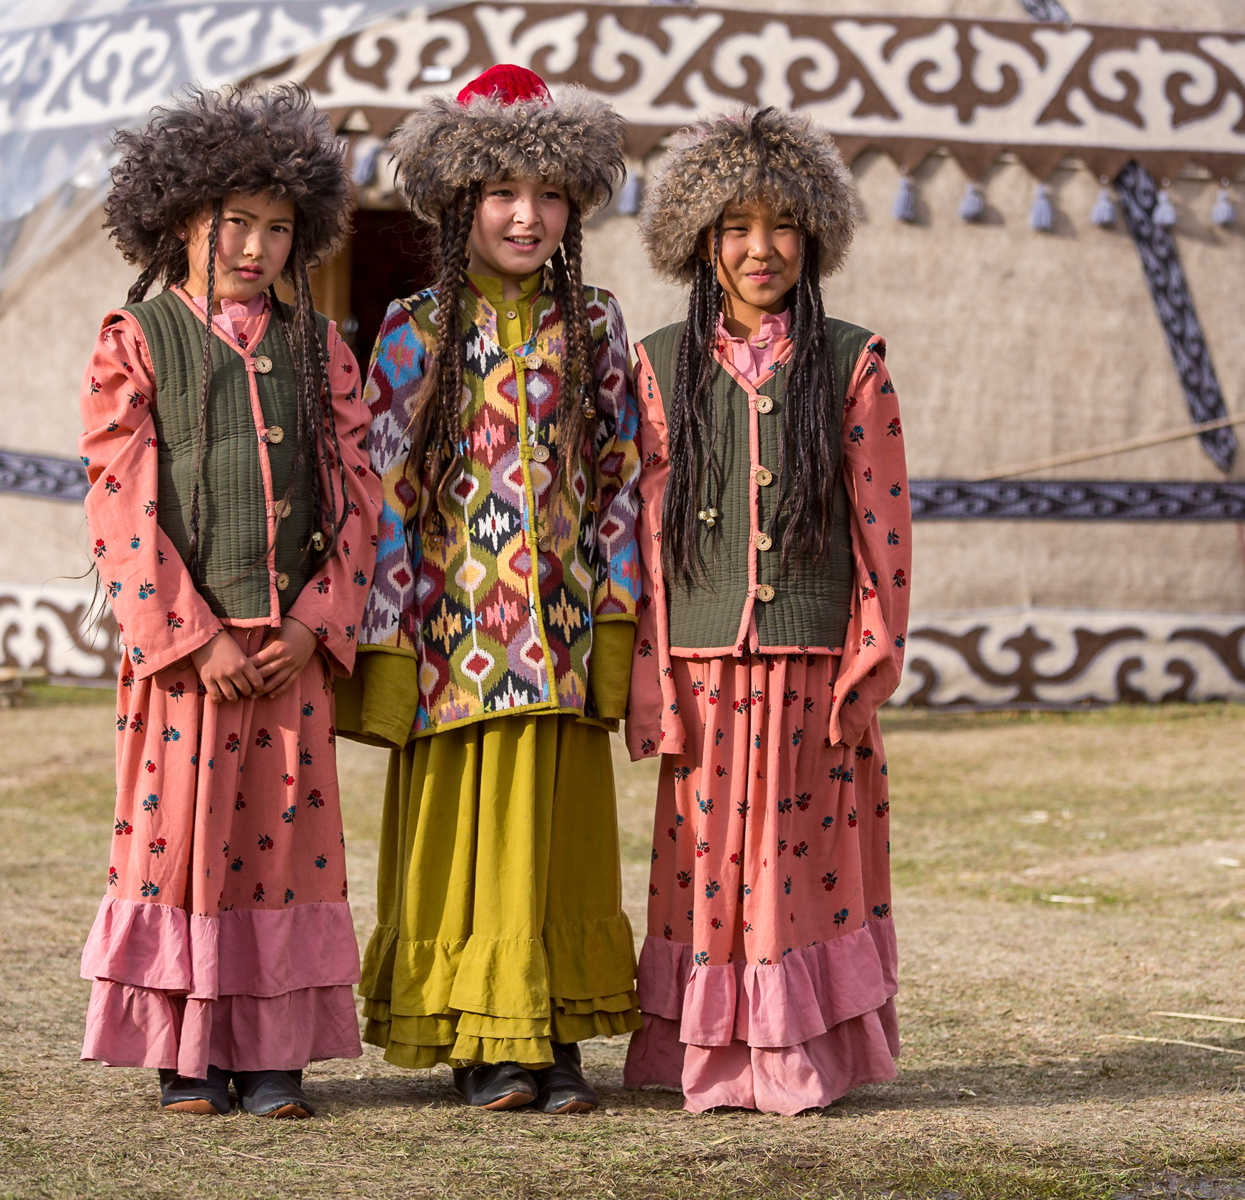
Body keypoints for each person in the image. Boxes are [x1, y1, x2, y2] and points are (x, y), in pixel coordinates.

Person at [338, 65, 642, 1114]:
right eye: (504, 193)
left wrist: (616, 627)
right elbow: (383, 497)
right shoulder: (414, 330)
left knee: (554, 847)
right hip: (453, 645)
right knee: (469, 845)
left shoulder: (598, 327)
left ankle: (551, 1036)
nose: (527, 215)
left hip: (557, 641)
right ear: (459, 202)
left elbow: (623, 488)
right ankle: (485, 1040)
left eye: (549, 194)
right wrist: (383, 646)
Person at [76, 85, 382, 1119]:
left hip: (288, 654)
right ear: (181, 218)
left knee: (286, 849)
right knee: (184, 844)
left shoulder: (318, 345)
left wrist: (314, 622)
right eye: (236, 221)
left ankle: (273, 1054)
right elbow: (121, 502)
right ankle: (189, 1056)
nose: (258, 245)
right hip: (186, 659)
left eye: (281, 225)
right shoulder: (138, 340)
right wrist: (189, 635)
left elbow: (357, 491)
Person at [620, 108, 912, 1115]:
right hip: (702, 661)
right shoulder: (656, 365)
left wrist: (871, 657)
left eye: (782, 226)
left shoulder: (852, 357)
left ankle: (798, 1056)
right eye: (735, 227)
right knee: (706, 864)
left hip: (811, 662)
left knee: (804, 867)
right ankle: (704, 1055)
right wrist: (649, 675)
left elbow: (885, 525)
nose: (759, 248)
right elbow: (645, 536)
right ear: (702, 240)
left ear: (813, 238)